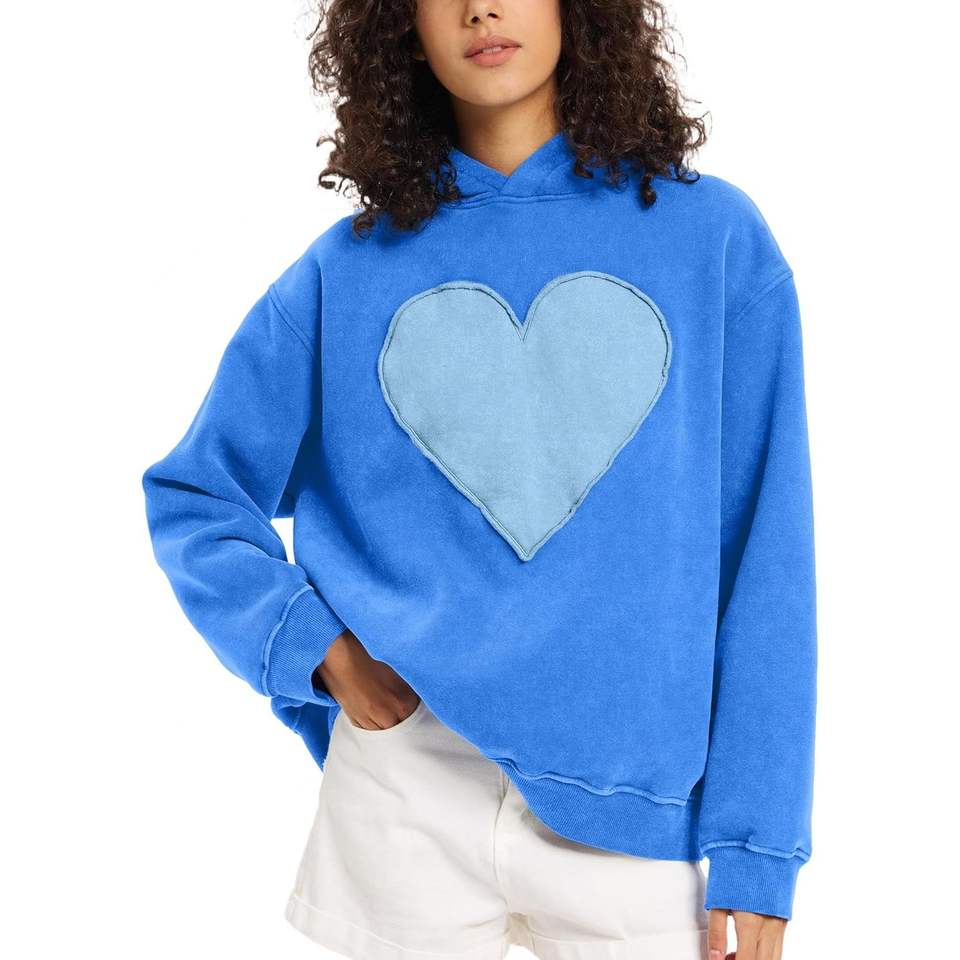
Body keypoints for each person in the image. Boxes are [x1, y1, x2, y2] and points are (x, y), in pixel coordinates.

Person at [141, 1, 817, 958]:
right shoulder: (345, 270)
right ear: (398, 27)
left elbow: (767, 557)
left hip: (635, 811)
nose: (481, 8)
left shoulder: (711, 240)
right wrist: (323, 653)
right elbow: (197, 495)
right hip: (405, 792)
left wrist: (757, 848)